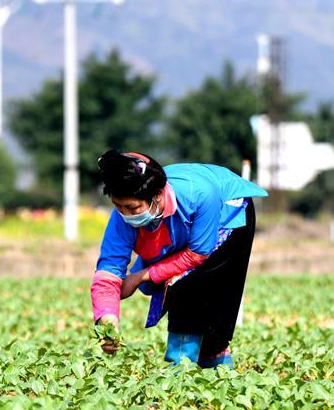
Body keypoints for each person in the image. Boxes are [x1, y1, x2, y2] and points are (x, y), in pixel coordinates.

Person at [90, 150, 267, 368]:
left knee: (188, 284)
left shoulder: (199, 194)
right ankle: (210, 363)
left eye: (132, 208)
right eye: (119, 206)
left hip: (227, 212)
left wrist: (139, 276)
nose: (126, 214)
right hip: (185, 225)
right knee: (169, 281)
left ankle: (184, 365)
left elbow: (196, 255)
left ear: (157, 196)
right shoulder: (122, 217)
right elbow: (108, 271)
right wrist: (108, 322)